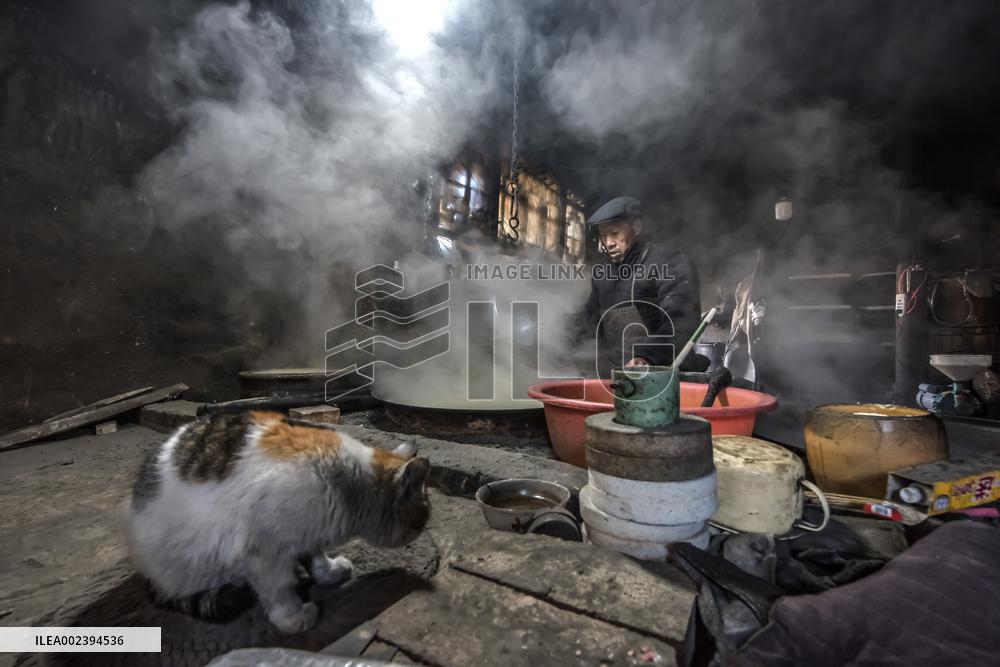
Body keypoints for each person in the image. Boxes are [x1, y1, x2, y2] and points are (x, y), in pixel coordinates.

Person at [576, 196, 703, 377]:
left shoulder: (669, 262)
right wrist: (553, 335)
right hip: (618, 377)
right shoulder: (604, 275)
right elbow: (589, 321)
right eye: (604, 236)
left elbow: (680, 322)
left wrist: (647, 356)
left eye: (614, 233)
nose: (609, 242)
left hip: (665, 377)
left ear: (636, 227)